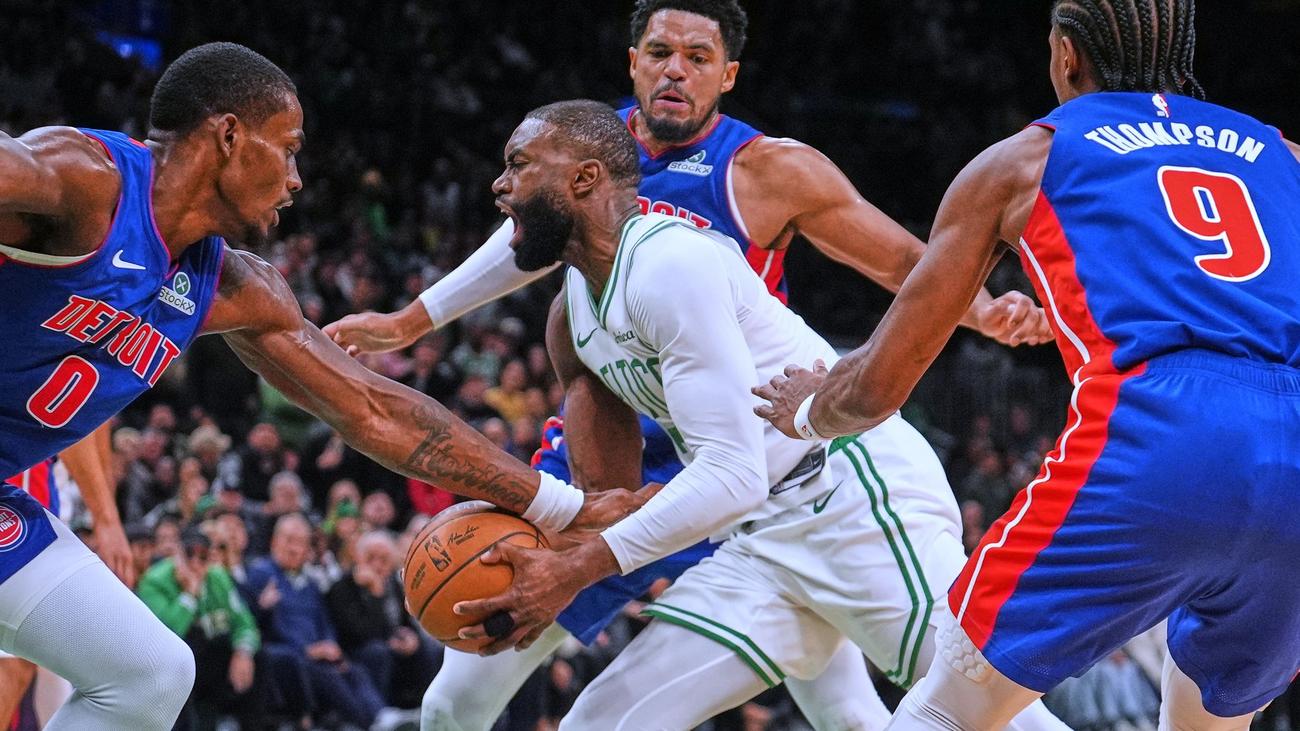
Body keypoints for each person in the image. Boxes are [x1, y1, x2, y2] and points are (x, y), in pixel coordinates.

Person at [326, 3, 1052, 729]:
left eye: (698, 57)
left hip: (822, 479)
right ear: (633, 61)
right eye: (660, 52)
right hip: (733, 508)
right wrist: (411, 320)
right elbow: (522, 240)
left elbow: (898, 259)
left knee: (968, 709)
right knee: (587, 720)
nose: (675, 70)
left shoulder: (748, 182)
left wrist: (984, 309)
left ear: (727, 74)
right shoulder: (576, 232)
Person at [0, 41, 647, 731]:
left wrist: (560, 504)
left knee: (149, 674)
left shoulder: (233, 285)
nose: (296, 179)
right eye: (288, 149)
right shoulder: (85, 182)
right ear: (229, 137)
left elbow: (374, 410)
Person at [753, 1, 1300, 728]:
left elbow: (877, 388)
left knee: (949, 710)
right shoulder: (1283, 154)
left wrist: (808, 409)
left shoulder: (1025, 159)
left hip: (1163, 429)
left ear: (1067, 55)